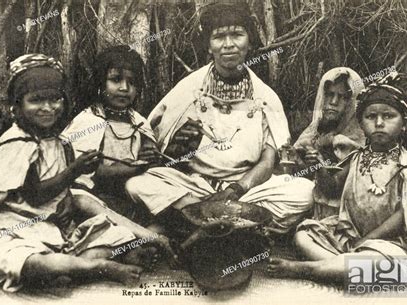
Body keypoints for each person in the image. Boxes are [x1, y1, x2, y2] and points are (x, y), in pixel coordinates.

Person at [0, 54, 173, 292]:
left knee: (114, 236)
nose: (47, 108)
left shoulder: (60, 143)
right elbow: (35, 196)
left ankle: (85, 264)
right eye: (36, 101)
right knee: (32, 263)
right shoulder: (18, 145)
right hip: (14, 227)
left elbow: (65, 191)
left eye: (55, 100)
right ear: (16, 105)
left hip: (52, 227)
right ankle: (96, 267)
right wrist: (75, 171)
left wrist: (68, 202)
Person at [125, 3, 314, 235]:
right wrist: (179, 147)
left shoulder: (265, 97)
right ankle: (233, 228)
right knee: (138, 184)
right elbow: (156, 143)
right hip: (195, 187)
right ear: (208, 46)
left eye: (237, 34)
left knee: (304, 191)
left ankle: (192, 225)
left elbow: (268, 160)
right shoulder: (189, 90)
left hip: (245, 189)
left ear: (250, 41)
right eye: (219, 37)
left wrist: (236, 189)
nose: (228, 45)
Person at [267, 73, 407, 282]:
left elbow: (403, 215)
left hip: (386, 243)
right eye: (371, 117)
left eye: (388, 116)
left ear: (404, 124)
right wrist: (319, 165)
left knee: (394, 262)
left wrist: (367, 240)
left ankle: (311, 269)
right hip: (350, 236)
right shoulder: (357, 157)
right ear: (361, 123)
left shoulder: (406, 167)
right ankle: (342, 268)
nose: (379, 123)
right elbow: (332, 189)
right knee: (303, 236)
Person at [62, 46, 159, 216]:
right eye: (116, 80)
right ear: (101, 83)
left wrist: (150, 154)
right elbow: (87, 172)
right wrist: (132, 168)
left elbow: (152, 159)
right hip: (96, 195)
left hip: (132, 193)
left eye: (132, 82)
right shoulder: (89, 121)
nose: (124, 88)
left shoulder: (140, 122)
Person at [293, 67, 366, 218]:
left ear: (353, 103)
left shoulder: (356, 143)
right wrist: (296, 158)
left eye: (342, 97)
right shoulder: (314, 131)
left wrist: (318, 165)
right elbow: (300, 172)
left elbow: (334, 189)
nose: (333, 102)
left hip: (338, 213)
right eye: (329, 95)